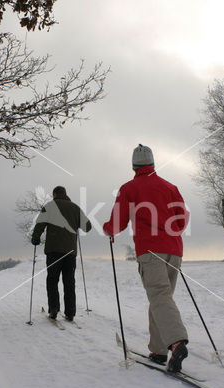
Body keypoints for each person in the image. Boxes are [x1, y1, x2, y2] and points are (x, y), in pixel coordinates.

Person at [103, 144, 190, 373]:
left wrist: (108, 229)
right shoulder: (170, 187)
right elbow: (181, 221)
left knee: (159, 296)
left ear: (134, 166)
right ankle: (159, 350)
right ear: (153, 163)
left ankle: (176, 341)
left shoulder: (129, 188)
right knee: (161, 298)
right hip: (174, 250)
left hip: (150, 252)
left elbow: (118, 222)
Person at [32, 186, 92, 321]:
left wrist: (36, 237)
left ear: (54, 194)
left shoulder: (50, 206)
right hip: (70, 253)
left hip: (53, 251)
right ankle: (70, 312)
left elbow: (40, 224)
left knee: (52, 280)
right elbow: (87, 227)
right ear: (66, 194)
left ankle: (54, 308)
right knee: (69, 282)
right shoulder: (75, 208)